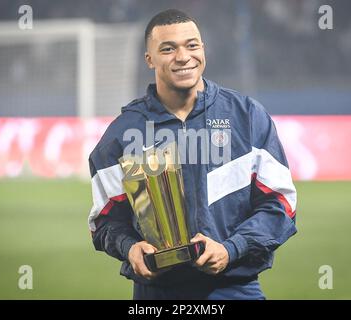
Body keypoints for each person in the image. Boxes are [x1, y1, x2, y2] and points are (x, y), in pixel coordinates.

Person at [88, 9, 297, 300]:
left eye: (192, 45)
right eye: (168, 49)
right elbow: (106, 221)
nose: (183, 56)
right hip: (156, 294)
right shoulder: (124, 133)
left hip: (235, 290)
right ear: (149, 59)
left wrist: (230, 249)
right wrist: (130, 248)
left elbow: (279, 204)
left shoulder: (246, 117)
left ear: (204, 51)